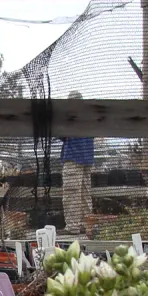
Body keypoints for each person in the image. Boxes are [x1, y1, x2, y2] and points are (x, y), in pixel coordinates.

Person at [58, 93, 94, 233]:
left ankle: (73, 226)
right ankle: (87, 225)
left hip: (73, 157)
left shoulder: (71, 116)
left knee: (71, 193)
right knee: (85, 193)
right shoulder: (89, 117)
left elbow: (60, 134)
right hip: (87, 158)